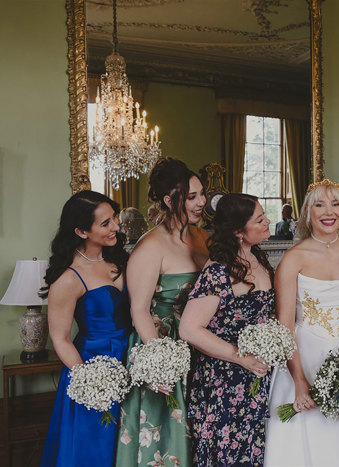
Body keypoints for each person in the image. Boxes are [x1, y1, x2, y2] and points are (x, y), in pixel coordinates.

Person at [265, 180, 339, 466]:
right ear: (307, 212)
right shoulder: (294, 258)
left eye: (335, 204)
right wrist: (300, 382)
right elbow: (284, 326)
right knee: (307, 441)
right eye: (319, 204)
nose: (329, 212)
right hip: (303, 354)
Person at [115, 158, 210, 467]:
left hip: (202, 342)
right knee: (168, 435)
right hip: (163, 344)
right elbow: (140, 310)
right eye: (192, 196)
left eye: (202, 194)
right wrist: (161, 362)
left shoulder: (203, 238)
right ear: (170, 200)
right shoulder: (150, 247)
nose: (202, 202)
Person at [179, 193, 275, 467]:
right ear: (238, 232)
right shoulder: (218, 272)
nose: (268, 222)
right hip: (223, 382)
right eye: (259, 219)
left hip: (255, 378)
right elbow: (189, 329)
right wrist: (240, 357)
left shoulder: (257, 257)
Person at [40, 190, 131, 467]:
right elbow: (60, 338)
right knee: (94, 446)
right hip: (93, 365)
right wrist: (90, 381)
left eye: (114, 218)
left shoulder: (121, 260)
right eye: (105, 223)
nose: (116, 226)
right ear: (80, 230)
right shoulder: (68, 278)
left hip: (131, 356)